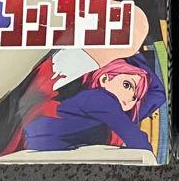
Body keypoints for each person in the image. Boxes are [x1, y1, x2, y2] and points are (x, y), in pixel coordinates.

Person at [22, 55, 163, 152]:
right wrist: (133, 53)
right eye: (127, 85)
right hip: (34, 147)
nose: (130, 98)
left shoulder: (116, 115)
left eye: (135, 97)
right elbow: (136, 139)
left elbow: (158, 94)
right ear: (105, 79)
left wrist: (135, 55)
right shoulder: (99, 99)